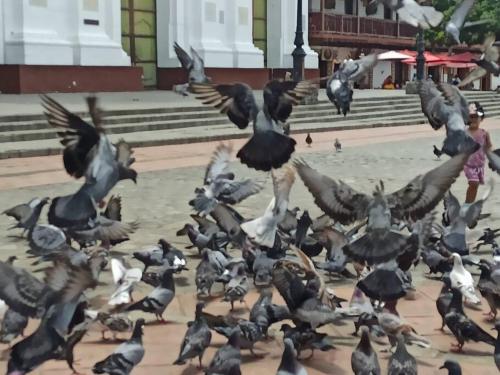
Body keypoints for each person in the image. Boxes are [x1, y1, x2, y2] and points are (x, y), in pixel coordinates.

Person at [464, 102, 491, 203]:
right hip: (468, 165)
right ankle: (466, 208)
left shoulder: (484, 133)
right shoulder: (464, 133)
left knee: (474, 187)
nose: (474, 119)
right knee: (474, 183)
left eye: (476, 117)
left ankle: (468, 206)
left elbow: (488, 147)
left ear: (482, 118)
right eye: (471, 117)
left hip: (480, 166)